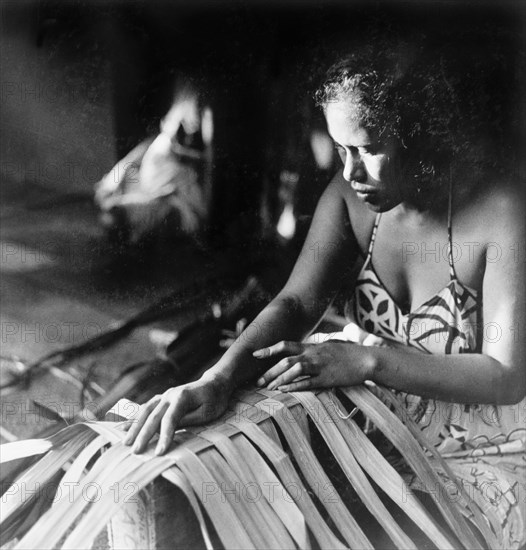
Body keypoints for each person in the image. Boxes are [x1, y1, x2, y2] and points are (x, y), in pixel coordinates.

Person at [124, 44, 525, 547]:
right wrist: (218, 378)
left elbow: (505, 378)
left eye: (369, 148)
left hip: (485, 444)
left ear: (421, 134)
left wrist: (367, 361)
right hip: (378, 416)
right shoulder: (348, 198)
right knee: (205, 481)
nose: (352, 172)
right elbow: (297, 304)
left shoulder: (501, 213)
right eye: (340, 149)